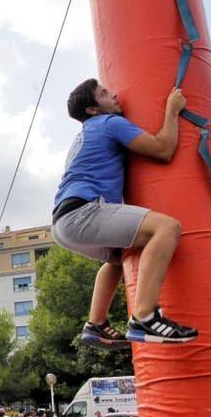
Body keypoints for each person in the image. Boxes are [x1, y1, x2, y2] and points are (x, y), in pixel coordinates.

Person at [53, 80, 198, 349]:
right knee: (167, 228)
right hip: (84, 211)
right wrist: (172, 109)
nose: (114, 94)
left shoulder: (84, 134)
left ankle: (95, 324)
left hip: (63, 222)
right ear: (93, 109)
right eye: (104, 94)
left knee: (118, 259)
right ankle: (145, 316)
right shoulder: (109, 123)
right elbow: (163, 149)